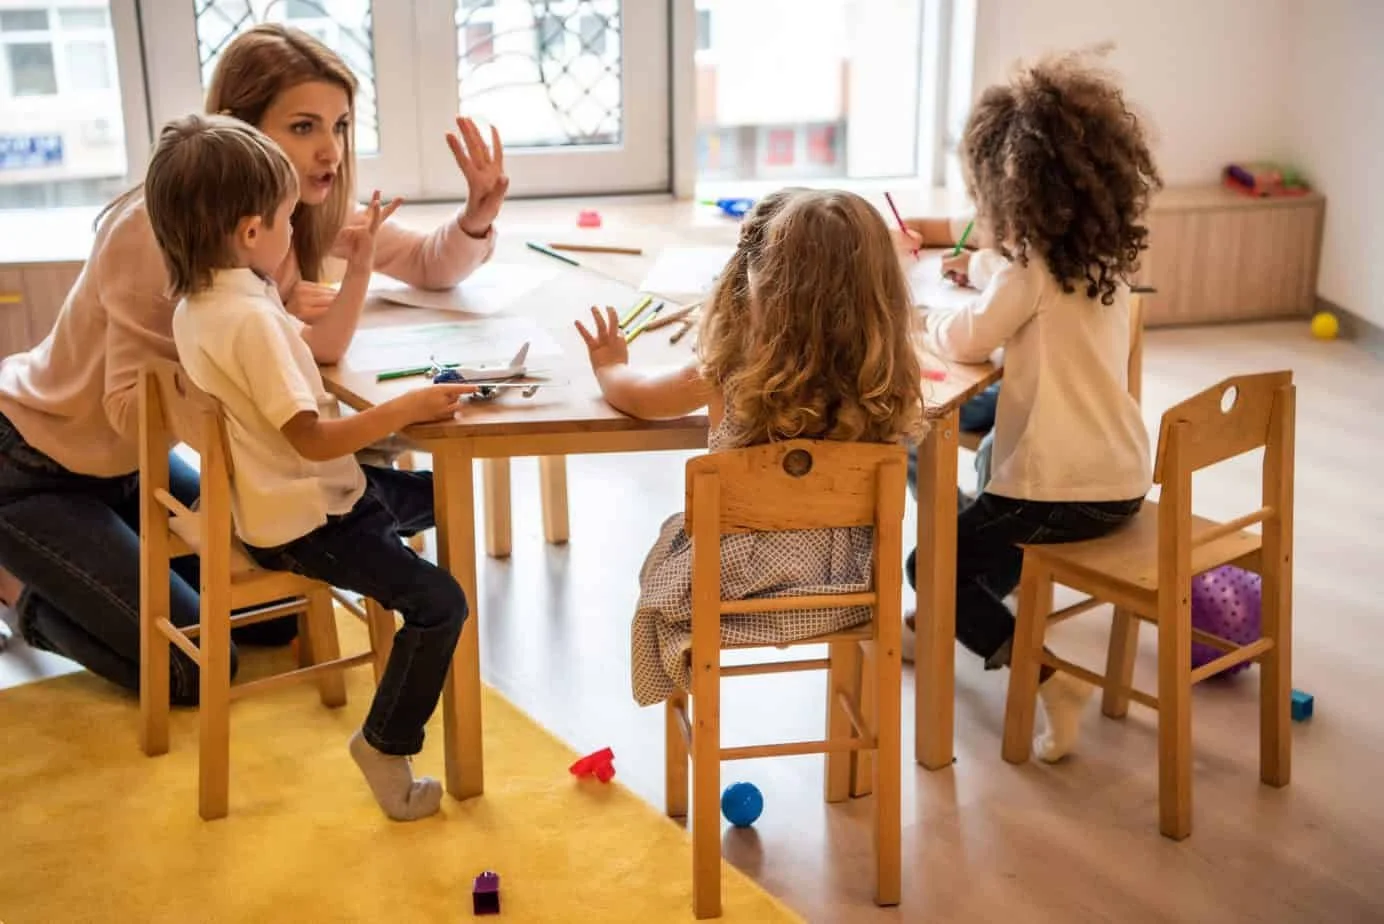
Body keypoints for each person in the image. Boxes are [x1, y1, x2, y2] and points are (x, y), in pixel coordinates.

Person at [0, 23, 507, 703]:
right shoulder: (158, 230)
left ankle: (93, 563)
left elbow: (417, 266)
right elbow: (127, 406)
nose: (329, 149)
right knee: (194, 669)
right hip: (35, 463)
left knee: (276, 621)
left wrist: (475, 214)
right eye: (303, 127)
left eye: (340, 125)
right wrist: (244, 387)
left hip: (126, 470)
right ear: (236, 130)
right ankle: (14, 586)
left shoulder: (278, 211)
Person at [150, 112, 473, 821]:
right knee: (440, 601)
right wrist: (406, 408)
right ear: (249, 232)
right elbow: (313, 440)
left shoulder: (208, 302)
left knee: (442, 497)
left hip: (298, 500)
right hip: (309, 517)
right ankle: (385, 744)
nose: (296, 231)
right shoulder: (249, 320)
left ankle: (403, 723)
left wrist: (358, 268)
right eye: (288, 218)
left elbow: (319, 350)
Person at [575, 188, 926, 707]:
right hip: (851, 594)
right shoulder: (887, 381)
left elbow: (639, 398)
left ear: (760, 285)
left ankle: (682, 704)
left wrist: (609, 364)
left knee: (666, 555)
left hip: (733, 597)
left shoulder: (729, 372)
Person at [905, 51, 1160, 761]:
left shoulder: (1026, 273)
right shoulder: (1103, 262)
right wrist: (982, 268)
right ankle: (947, 618)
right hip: (1123, 482)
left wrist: (915, 310)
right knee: (989, 475)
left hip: (1059, 490)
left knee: (931, 564)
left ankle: (1045, 675)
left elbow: (964, 340)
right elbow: (1021, 287)